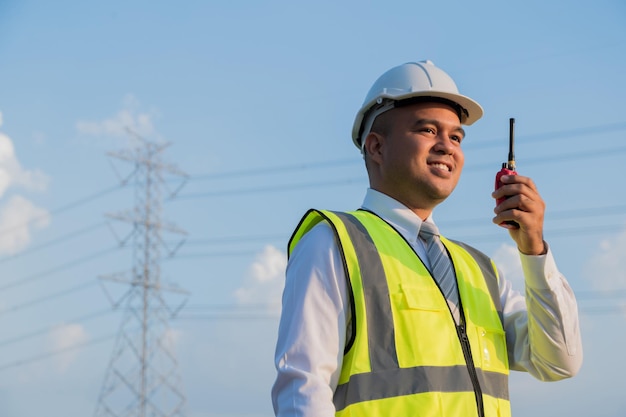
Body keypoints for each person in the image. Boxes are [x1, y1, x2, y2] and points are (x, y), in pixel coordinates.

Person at [271, 60, 583, 417]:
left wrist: (535, 251)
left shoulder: (480, 270)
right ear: (376, 147)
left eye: (455, 136)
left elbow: (559, 362)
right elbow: (303, 391)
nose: (446, 146)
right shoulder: (333, 243)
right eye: (428, 130)